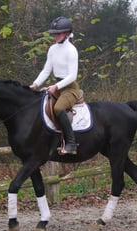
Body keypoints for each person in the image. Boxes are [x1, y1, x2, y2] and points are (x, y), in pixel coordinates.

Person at [30, 16, 80, 155]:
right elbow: (46, 70)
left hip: (70, 88)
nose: (55, 36)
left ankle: (71, 143)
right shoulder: (52, 49)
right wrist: (35, 84)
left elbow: (72, 76)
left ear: (66, 33)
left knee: (58, 108)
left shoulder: (71, 50)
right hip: (58, 85)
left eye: (58, 33)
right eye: (54, 33)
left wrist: (56, 87)